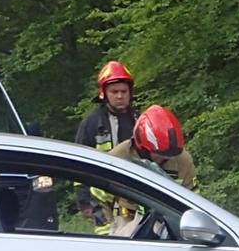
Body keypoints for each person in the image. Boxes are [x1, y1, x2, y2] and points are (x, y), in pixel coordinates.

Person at [102, 105, 196, 237]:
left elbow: (193, 200)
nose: (165, 158)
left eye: (169, 154)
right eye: (159, 153)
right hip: (126, 224)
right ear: (142, 146)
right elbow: (98, 195)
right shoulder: (119, 156)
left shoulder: (182, 160)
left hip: (169, 228)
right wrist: (105, 233)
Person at [74, 61, 137, 233]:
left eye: (123, 91)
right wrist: (84, 200)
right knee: (107, 238)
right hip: (100, 195)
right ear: (104, 93)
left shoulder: (138, 120)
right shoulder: (91, 123)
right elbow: (79, 163)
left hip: (134, 193)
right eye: (114, 92)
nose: (119, 96)